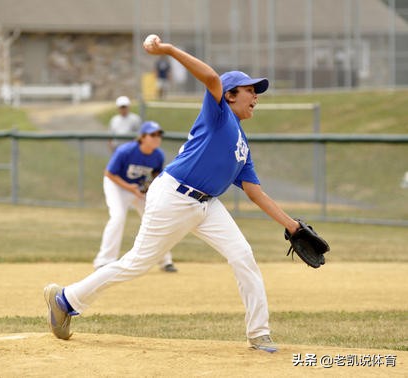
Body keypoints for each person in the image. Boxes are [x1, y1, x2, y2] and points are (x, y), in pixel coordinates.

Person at [44, 35, 300, 353]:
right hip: (173, 197)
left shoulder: (242, 146)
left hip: (208, 206)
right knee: (137, 263)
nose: (255, 97)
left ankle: (259, 333)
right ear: (231, 95)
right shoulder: (219, 114)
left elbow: (255, 192)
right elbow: (209, 77)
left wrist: (292, 226)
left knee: (243, 256)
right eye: (250, 90)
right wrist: (167, 50)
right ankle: (65, 300)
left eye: (256, 92)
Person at [94, 120, 177, 272]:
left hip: (137, 189)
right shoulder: (125, 151)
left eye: (159, 135)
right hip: (117, 186)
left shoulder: (158, 155)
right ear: (142, 137)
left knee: (155, 218)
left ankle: (165, 261)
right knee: (118, 217)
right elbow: (109, 173)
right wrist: (130, 188)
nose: (157, 138)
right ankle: (104, 260)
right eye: (153, 135)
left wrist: (150, 186)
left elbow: (156, 175)